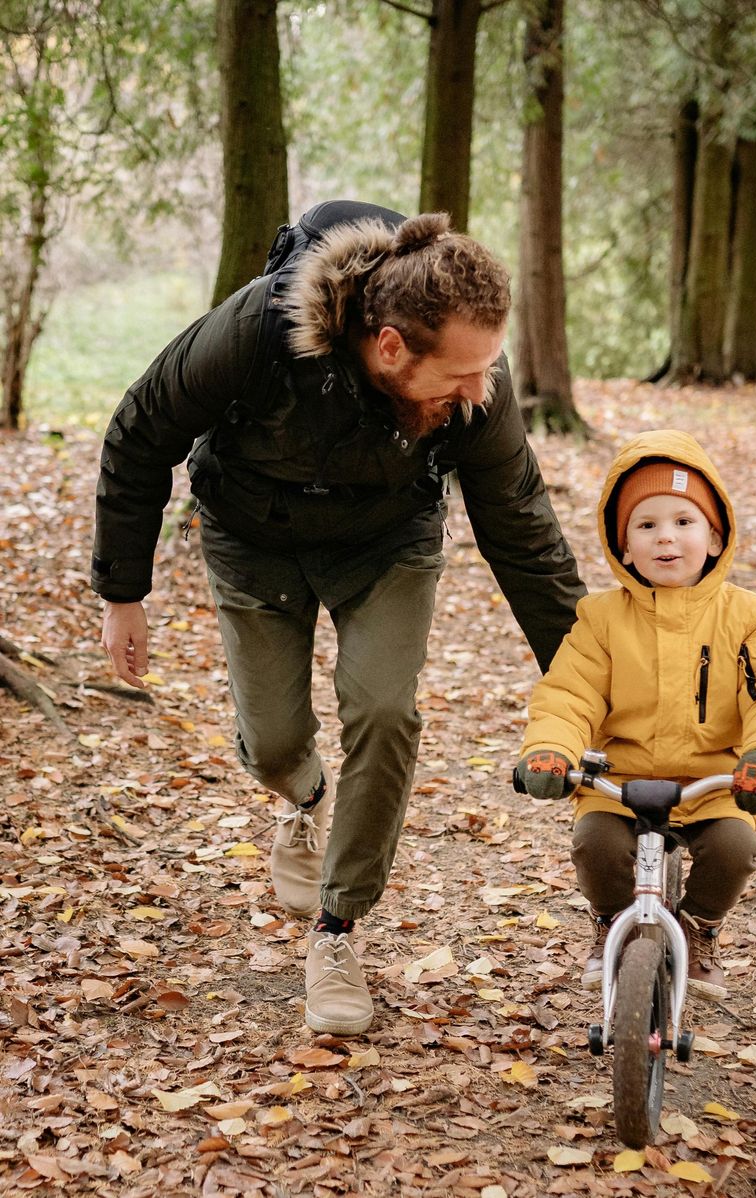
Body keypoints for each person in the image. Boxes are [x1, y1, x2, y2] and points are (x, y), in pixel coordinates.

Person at [93, 202, 585, 1035]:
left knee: (385, 708)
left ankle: (336, 930)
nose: (479, 390)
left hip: (385, 543)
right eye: (461, 373)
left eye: (486, 370)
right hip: (254, 538)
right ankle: (303, 794)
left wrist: (590, 677)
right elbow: (140, 431)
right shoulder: (255, 330)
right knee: (277, 741)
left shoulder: (476, 388)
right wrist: (123, 591)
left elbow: (523, 530)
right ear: (390, 346)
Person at [514, 429, 756, 998]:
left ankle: (699, 926)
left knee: (734, 846)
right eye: (646, 525)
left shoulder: (749, 616)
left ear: (715, 534)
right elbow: (568, 693)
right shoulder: (600, 618)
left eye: (683, 521)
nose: (666, 538)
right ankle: (610, 920)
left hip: (715, 779)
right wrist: (550, 750)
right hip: (620, 779)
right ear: (623, 546)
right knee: (594, 845)